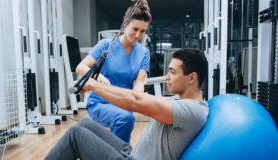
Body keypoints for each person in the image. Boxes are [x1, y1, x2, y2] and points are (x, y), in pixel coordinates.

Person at [45, 48, 209, 160]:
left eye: (172, 72)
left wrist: (93, 85)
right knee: (85, 124)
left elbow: (134, 102)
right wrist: (99, 86)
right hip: (132, 154)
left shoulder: (191, 111)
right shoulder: (181, 101)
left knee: (76, 135)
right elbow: (136, 97)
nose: (167, 76)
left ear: (192, 78)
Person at [75, 0, 152, 143]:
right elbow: (81, 67)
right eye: (135, 29)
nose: (138, 35)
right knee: (125, 119)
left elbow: (139, 82)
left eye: (143, 31)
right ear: (125, 24)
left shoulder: (144, 52)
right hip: (100, 103)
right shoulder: (107, 45)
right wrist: (98, 76)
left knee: (125, 119)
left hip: (124, 102)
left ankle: (115, 154)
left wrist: (138, 94)